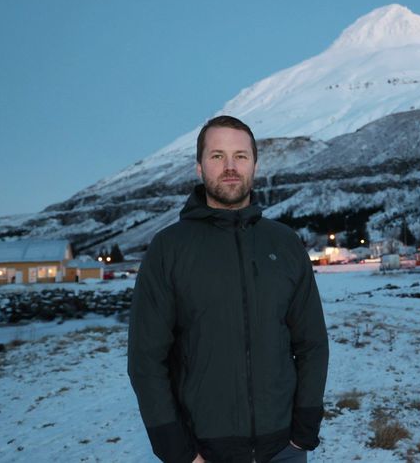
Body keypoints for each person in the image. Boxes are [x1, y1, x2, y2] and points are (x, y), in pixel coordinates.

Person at [128, 115, 329, 463]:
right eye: (217, 156)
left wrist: (304, 430)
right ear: (198, 166)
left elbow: (311, 343)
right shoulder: (169, 248)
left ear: (255, 164)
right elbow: (146, 360)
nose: (230, 167)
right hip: (204, 450)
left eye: (241, 156)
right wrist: (177, 450)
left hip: (284, 448)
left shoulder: (284, 243)